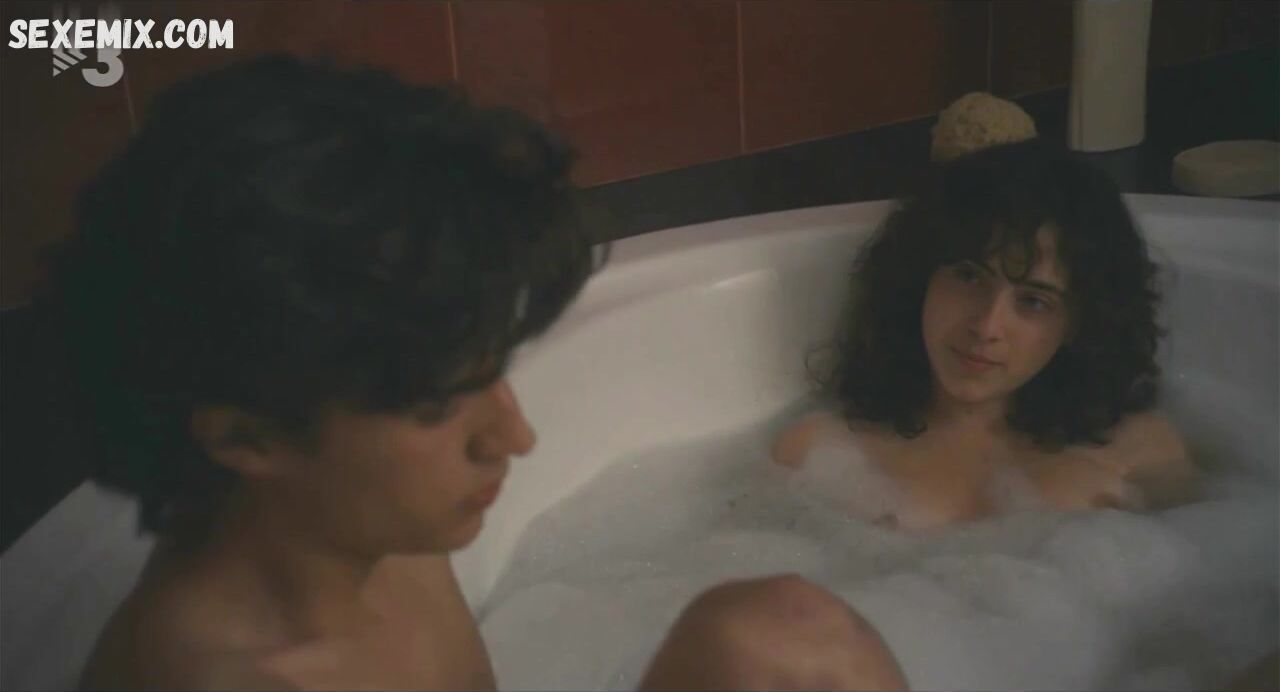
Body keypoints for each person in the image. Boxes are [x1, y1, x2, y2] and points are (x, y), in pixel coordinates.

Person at [55, 55, 907, 690]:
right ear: (250, 435)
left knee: (783, 632)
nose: (515, 436)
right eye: (437, 406)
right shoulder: (222, 676)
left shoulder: (373, 534)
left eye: (494, 370)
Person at [773, 139, 1198, 530]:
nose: (986, 326)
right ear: (921, 277)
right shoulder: (817, 453)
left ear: (1078, 324)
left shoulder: (1141, 455)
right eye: (968, 276)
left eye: (1033, 301)